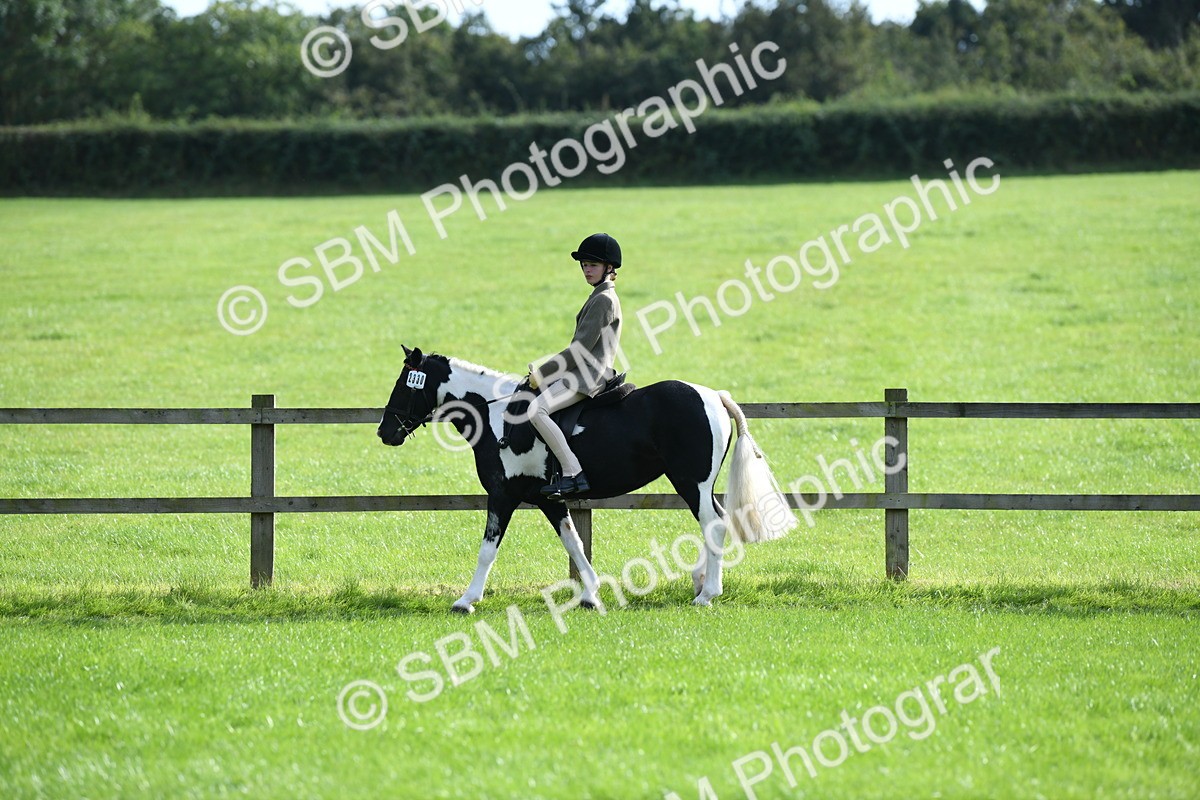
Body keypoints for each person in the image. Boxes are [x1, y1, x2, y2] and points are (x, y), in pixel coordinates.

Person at [528, 232, 624, 498]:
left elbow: (578, 350)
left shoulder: (604, 300)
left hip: (588, 377)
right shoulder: (598, 295)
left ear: (609, 268)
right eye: (583, 264)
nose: (586, 269)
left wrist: (541, 374)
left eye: (592, 264)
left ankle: (573, 472)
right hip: (581, 372)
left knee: (536, 410)